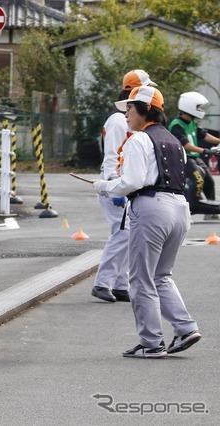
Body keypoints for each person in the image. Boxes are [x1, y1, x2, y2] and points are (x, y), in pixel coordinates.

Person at [92, 86, 201, 358]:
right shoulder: (174, 142)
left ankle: (151, 343)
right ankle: (186, 328)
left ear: (143, 109)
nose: (126, 113)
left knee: (140, 279)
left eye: (129, 108)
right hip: (179, 209)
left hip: (152, 208)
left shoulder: (138, 140)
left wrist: (104, 187)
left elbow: (132, 181)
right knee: (161, 276)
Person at [91, 70, 157, 303]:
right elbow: (112, 156)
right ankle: (103, 282)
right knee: (123, 232)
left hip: (121, 185)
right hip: (115, 184)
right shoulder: (119, 120)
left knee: (127, 234)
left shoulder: (124, 119)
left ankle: (119, 284)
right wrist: (112, 187)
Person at [168, 92, 220, 219]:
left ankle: (211, 212)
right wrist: (204, 151)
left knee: (209, 180)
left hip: (194, 158)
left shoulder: (192, 122)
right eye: (198, 107)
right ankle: (191, 207)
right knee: (198, 179)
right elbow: (185, 145)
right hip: (183, 159)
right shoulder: (176, 125)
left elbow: (204, 135)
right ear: (189, 106)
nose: (200, 110)